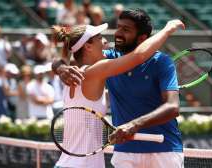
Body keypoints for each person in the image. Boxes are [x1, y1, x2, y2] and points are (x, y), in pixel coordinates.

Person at [51, 10, 185, 168]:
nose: (106, 42)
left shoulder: (75, 73)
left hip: (68, 163)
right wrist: (168, 29)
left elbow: (66, 52)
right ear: (87, 46)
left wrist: (60, 67)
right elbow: (139, 56)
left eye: (125, 29)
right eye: (100, 38)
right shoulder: (98, 69)